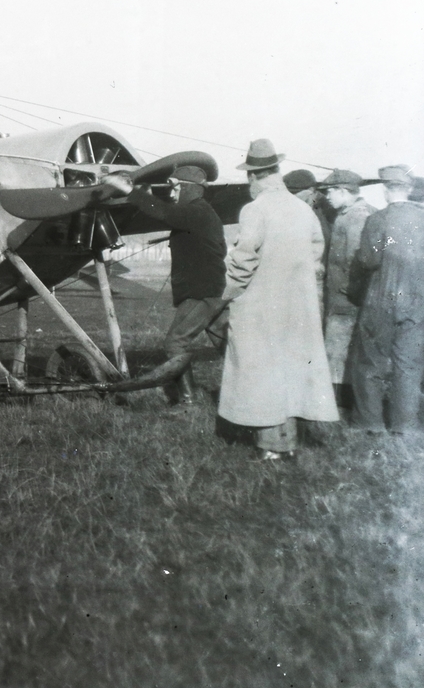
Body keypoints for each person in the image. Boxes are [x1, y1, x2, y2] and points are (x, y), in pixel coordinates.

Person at [216, 140, 339, 460]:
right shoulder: (303, 209)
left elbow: (243, 261)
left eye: (249, 180)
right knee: (290, 369)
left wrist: (229, 295)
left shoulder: (255, 210)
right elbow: (316, 255)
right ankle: (289, 441)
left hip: (260, 306)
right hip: (298, 306)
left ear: (254, 177)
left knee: (261, 371)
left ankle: (272, 447)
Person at [101, 162, 226, 405]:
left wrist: (130, 191)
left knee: (175, 343)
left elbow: (166, 213)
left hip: (201, 292)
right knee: (228, 345)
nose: (172, 192)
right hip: (214, 290)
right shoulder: (204, 213)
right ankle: (246, 393)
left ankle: (187, 401)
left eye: (175, 187)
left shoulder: (194, 212)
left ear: (188, 188)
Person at [347, 165, 424, 434]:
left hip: (381, 299)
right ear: (410, 188)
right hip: (416, 301)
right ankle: (406, 425)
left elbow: (369, 259)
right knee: (409, 364)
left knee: (370, 360)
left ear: (386, 189)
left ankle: (369, 422)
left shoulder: (378, 220)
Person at [316, 170, 375, 406]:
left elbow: (357, 259)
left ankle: (340, 400)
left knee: (338, 347)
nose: (327, 197)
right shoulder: (352, 214)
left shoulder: (356, 217)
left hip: (347, 296)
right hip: (346, 294)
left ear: (343, 191)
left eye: (330, 192)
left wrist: (349, 292)